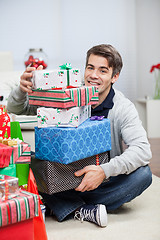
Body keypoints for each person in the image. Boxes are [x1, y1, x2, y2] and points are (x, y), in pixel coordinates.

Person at [7, 44, 152, 228]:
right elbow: (16, 108)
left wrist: (103, 171)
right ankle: (83, 209)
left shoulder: (123, 107)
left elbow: (142, 150)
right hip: (60, 175)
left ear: (114, 77)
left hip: (100, 179)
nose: (93, 75)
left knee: (143, 175)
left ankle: (60, 204)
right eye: (90, 67)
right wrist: (21, 90)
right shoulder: (68, 95)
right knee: (26, 157)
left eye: (103, 70)